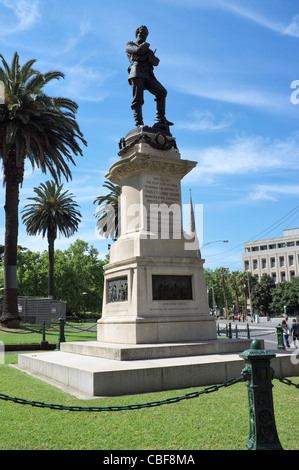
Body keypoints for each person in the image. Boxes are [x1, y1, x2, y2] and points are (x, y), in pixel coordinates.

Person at [126, 25, 173, 129]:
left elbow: (156, 62)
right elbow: (138, 51)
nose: (143, 35)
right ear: (136, 33)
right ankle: (139, 123)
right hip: (137, 72)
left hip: (148, 74)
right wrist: (146, 50)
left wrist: (145, 57)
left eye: (145, 33)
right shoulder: (130, 45)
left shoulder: (149, 50)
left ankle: (161, 119)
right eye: (141, 32)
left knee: (162, 92)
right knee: (138, 99)